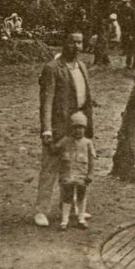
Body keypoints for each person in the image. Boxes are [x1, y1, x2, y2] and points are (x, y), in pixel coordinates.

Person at [35, 32, 94, 227]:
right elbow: (47, 100)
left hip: (77, 125)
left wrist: (87, 125)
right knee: (50, 167)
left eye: (80, 42)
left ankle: (69, 208)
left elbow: (85, 98)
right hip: (58, 125)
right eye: (73, 42)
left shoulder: (82, 66)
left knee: (73, 167)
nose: (77, 46)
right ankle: (41, 210)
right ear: (64, 44)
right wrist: (47, 128)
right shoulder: (52, 68)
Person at [54, 112, 96, 230]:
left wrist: (90, 173)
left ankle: (81, 218)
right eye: (76, 127)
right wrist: (49, 141)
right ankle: (64, 220)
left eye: (81, 127)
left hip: (82, 174)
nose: (78, 130)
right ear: (71, 128)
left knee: (81, 195)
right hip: (68, 174)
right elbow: (55, 149)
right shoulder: (65, 141)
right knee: (67, 196)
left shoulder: (87, 143)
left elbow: (92, 159)